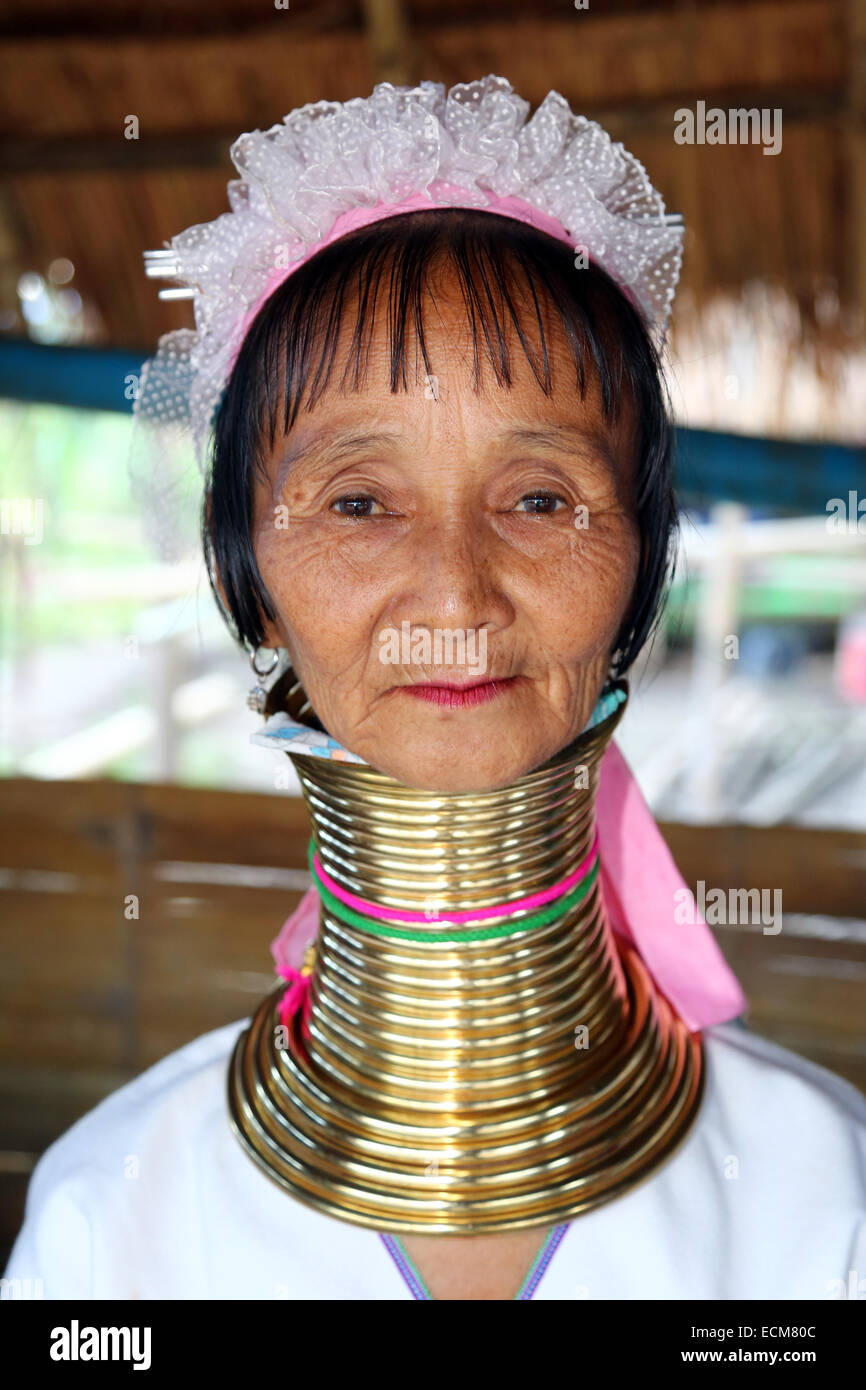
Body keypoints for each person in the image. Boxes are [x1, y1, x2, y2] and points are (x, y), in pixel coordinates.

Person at [6, 76, 865, 1301]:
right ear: (247, 580)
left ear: (638, 573)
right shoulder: (115, 1221)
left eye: (539, 499)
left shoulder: (822, 1205)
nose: (455, 596)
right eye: (357, 502)